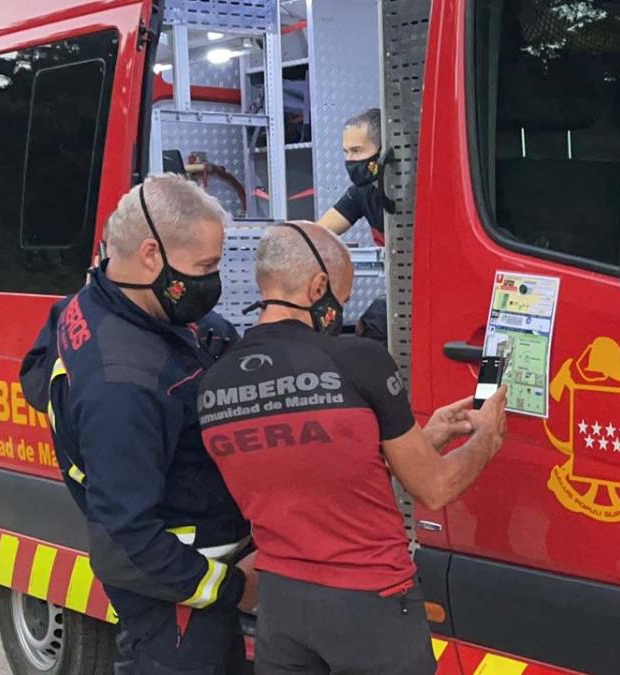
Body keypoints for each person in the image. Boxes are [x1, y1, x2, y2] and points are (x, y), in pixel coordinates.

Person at [197, 222, 508, 674]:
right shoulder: (356, 360)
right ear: (318, 286)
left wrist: (431, 433)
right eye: (337, 300)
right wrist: (487, 439)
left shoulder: (215, 384)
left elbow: (314, 468)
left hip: (281, 605)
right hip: (370, 604)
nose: (336, 313)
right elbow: (435, 488)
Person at [20, 174, 256, 674]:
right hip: (180, 606)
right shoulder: (123, 383)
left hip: (189, 594)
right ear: (151, 254)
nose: (211, 282)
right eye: (205, 268)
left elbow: (36, 371)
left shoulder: (95, 299)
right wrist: (232, 589)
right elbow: (126, 544)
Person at [318, 109, 393, 344]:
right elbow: (317, 233)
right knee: (370, 329)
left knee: (377, 326)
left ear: (383, 152)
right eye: (346, 152)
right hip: (400, 291)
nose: (350, 160)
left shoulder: (418, 188)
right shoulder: (362, 194)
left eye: (357, 151)